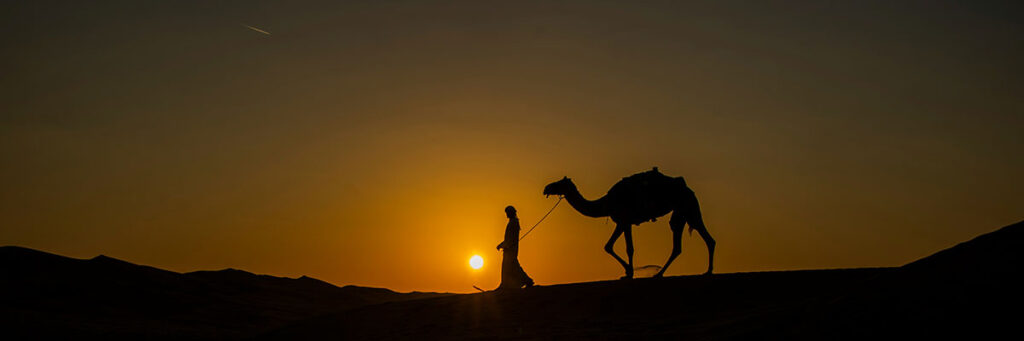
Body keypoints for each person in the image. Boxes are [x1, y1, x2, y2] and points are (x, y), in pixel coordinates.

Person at [496, 205, 534, 289]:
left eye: (508, 213)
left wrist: (502, 245)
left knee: (512, 267)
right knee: (511, 267)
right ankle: (508, 284)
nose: (507, 214)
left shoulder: (513, 223)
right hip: (509, 248)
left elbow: (510, 238)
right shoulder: (513, 222)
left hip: (510, 249)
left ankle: (526, 281)